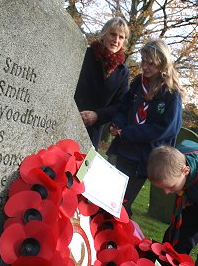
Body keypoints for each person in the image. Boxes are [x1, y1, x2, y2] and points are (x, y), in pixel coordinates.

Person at [106, 38, 184, 217]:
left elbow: (166, 128)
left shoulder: (171, 93)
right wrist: (117, 123)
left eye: (151, 63)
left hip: (143, 158)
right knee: (109, 197)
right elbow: (124, 107)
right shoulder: (138, 83)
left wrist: (129, 132)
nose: (145, 67)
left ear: (163, 64)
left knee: (122, 204)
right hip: (123, 150)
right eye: (143, 61)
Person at [74, 17, 130, 150]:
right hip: (69, 116)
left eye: (121, 37)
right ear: (104, 34)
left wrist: (97, 115)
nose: (116, 40)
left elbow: (120, 104)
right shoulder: (85, 55)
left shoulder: (123, 72)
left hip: (92, 131)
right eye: (113, 34)